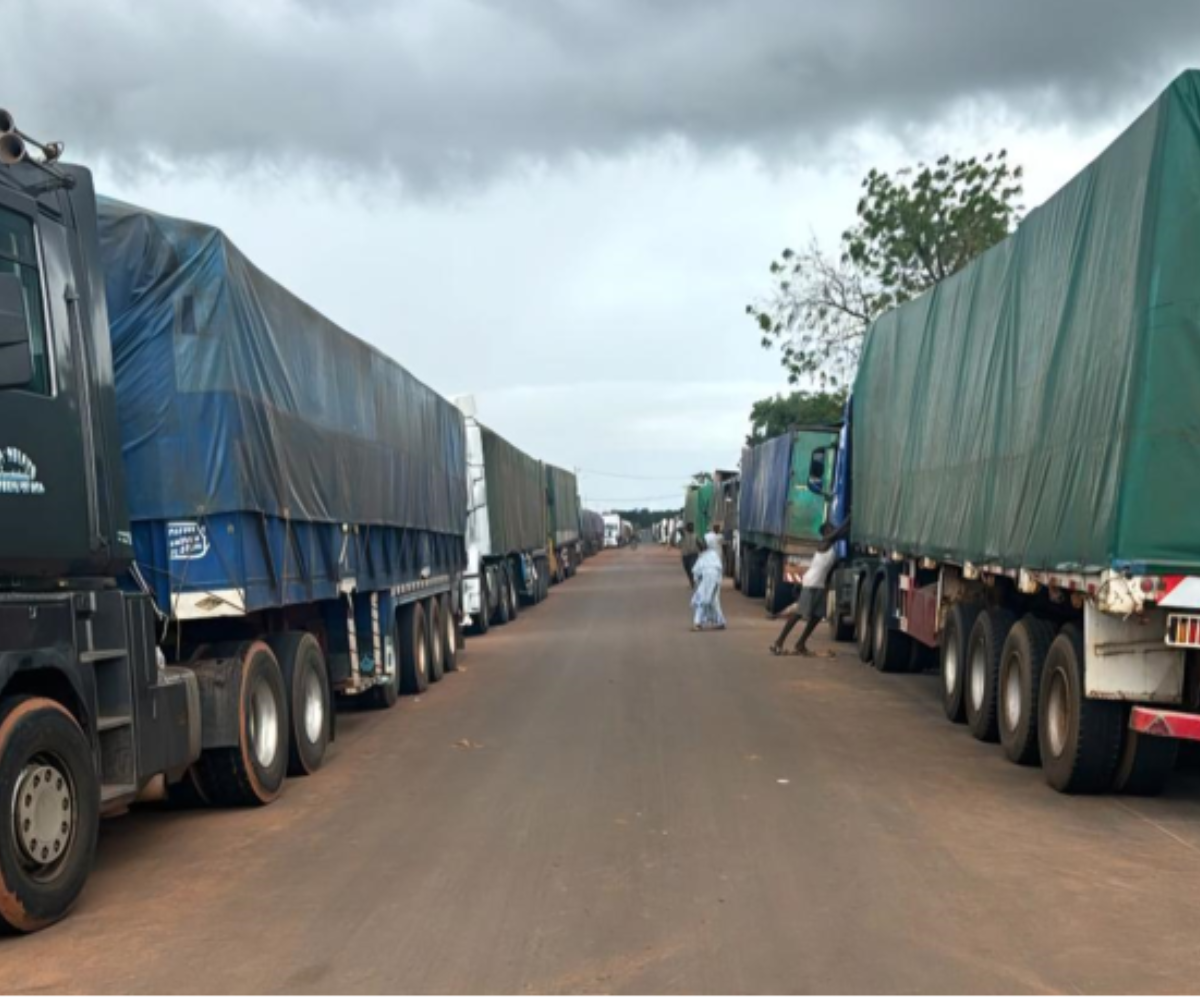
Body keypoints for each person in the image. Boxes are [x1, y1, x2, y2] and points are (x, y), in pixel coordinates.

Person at [770, 517, 851, 657]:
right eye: (830, 528)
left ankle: (801, 643)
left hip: (818, 585)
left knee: (817, 616)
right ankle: (779, 642)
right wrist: (849, 518)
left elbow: (841, 534)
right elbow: (838, 533)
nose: (833, 530)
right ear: (825, 532)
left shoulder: (831, 547)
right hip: (811, 583)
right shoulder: (824, 542)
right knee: (798, 614)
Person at [690, 531, 727, 631]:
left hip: (708, 581)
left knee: (701, 600)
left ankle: (697, 623)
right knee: (714, 601)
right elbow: (719, 570)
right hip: (714, 580)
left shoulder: (706, 556)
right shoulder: (713, 555)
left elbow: (696, 571)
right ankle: (721, 621)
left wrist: (697, 580)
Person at [679, 521, 700, 586]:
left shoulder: (695, 535)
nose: (691, 527)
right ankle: (691, 579)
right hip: (685, 555)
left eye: (692, 526)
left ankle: (693, 579)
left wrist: (703, 549)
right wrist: (684, 528)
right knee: (687, 568)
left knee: (692, 567)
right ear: (687, 527)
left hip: (694, 554)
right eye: (690, 526)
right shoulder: (684, 534)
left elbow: (699, 543)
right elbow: (679, 530)